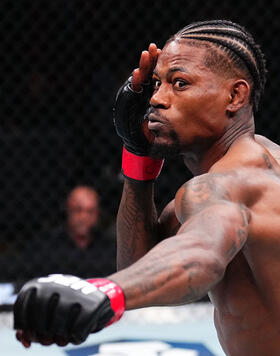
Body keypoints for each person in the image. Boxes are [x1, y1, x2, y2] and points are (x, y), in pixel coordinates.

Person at [13, 19, 279, 355]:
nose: (157, 99)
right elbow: (139, 262)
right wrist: (139, 155)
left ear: (235, 95)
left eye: (179, 83)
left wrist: (103, 293)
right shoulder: (263, 161)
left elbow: (199, 256)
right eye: (156, 84)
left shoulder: (225, 186)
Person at [24, 185, 116, 279]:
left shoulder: (110, 248)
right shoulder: (45, 246)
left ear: (97, 214)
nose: (83, 217)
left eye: (90, 211)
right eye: (78, 210)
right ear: (68, 210)